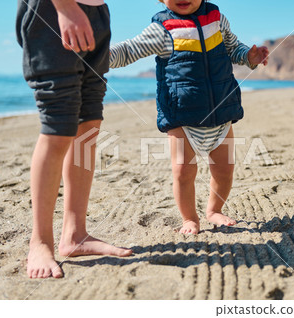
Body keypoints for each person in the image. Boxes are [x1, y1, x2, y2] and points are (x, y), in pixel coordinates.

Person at [110, 0, 269, 234]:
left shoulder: (217, 20)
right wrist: (97, 55)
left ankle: (214, 210)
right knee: (183, 172)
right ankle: (189, 218)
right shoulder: (162, 28)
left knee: (224, 170)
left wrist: (249, 57)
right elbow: (128, 50)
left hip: (221, 114)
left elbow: (233, 48)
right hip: (181, 116)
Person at [16, 0, 132, 279]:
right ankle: (40, 242)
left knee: (88, 126)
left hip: (98, 12)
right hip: (53, 10)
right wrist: (65, 7)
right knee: (59, 128)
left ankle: (75, 235)